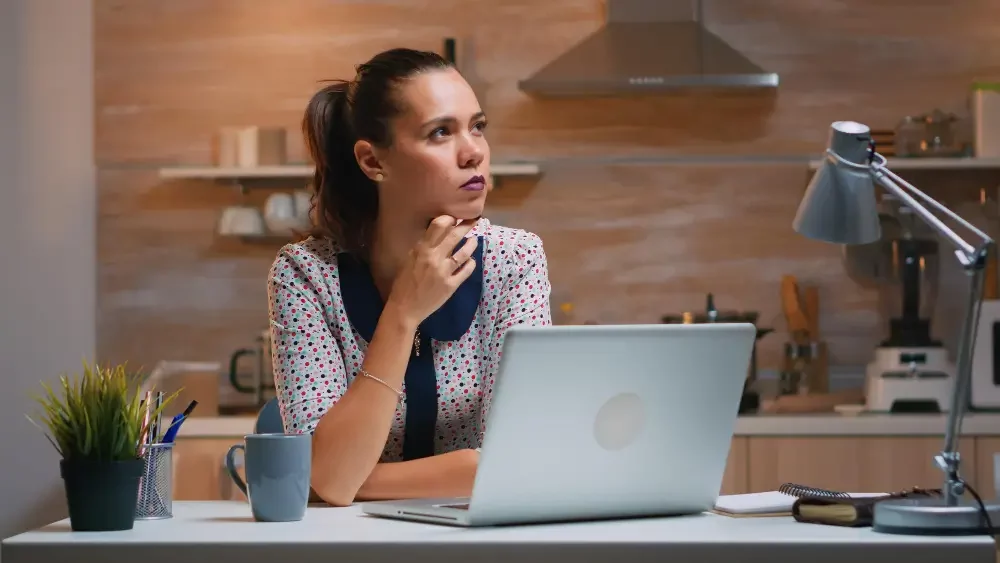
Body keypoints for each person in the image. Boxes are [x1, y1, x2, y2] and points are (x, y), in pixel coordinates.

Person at [266, 47, 552, 507]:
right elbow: (329, 479)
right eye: (441, 132)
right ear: (373, 161)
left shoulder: (514, 260)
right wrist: (402, 312)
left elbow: (520, 462)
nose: (473, 151)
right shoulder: (305, 275)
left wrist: (353, 479)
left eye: (477, 127)